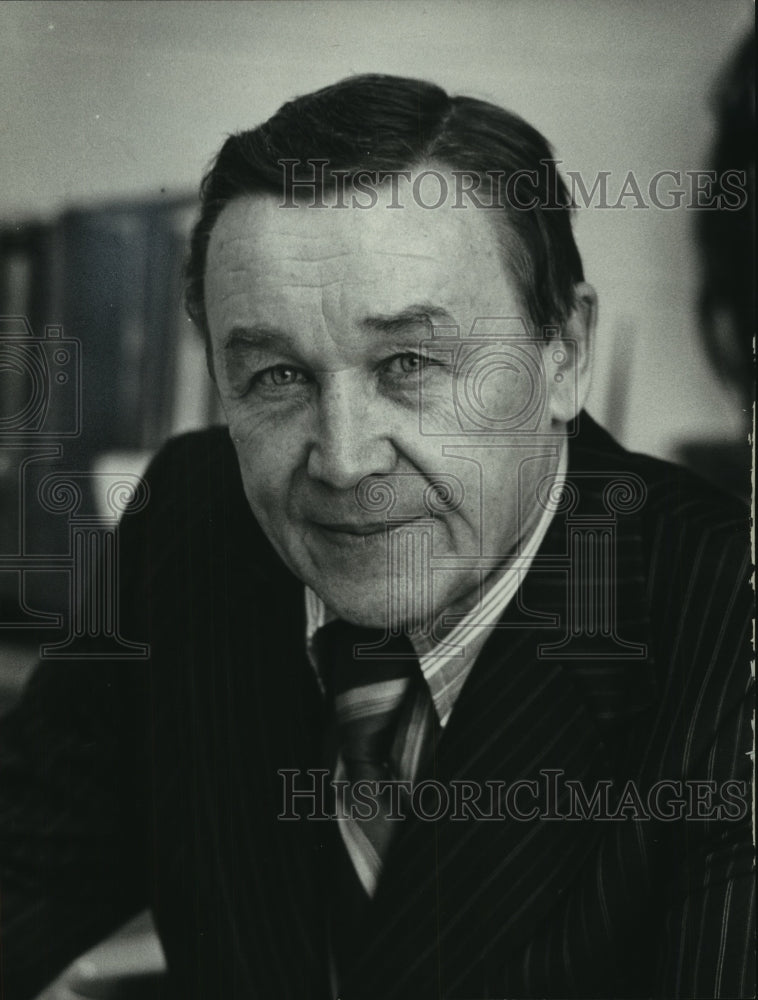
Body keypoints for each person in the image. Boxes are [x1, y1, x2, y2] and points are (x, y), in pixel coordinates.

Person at [0, 74, 753, 1000]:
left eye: (410, 362)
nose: (344, 461)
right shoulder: (193, 520)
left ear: (564, 354)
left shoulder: (731, 626)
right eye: (276, 375)